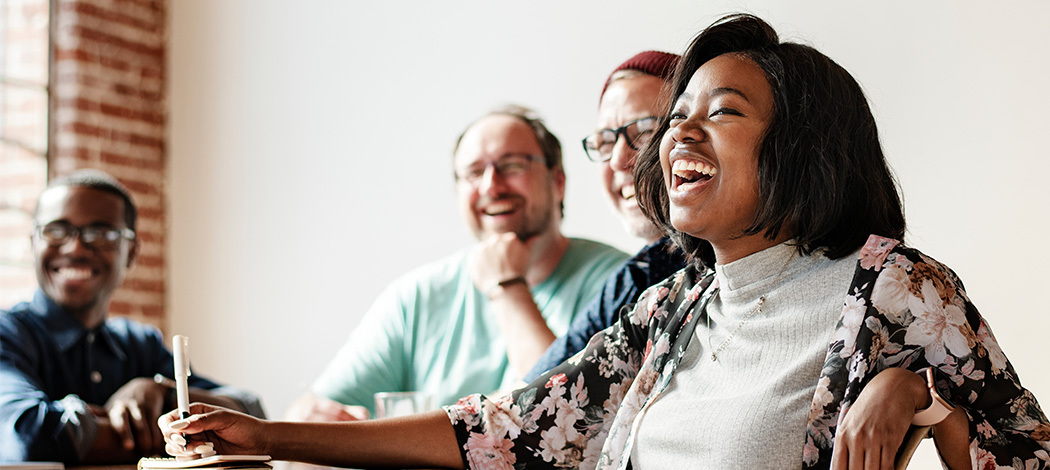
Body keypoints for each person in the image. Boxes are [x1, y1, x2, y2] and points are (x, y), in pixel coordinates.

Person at [158, 14, 1050, 469]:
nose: (677, 138)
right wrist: (261, 435)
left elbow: (1023, 451)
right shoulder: (672, 307)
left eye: (722, 113)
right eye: (679, 118)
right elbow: (512, 429)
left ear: (799, 148)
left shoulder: (892, 289)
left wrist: (923, 397)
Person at [286, 105, 628, 421]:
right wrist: (313, 421)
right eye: (473, 172)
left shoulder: (619, 282)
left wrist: (506, 285)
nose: (491, 186)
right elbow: (314, 410)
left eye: (511, 166)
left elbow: (562, 415)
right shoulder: (416, 298)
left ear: (558, 182)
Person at [0, 169, 266, 464]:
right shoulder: (7, 334)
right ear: (33, 243)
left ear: (132, 252)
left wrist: (160, 390)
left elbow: (250, 419)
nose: (75, 247)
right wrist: (170, 428)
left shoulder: (142, 344)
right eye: (55, 230)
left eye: (101, 234)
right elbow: (25, 436)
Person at [525, 51, 689, 381]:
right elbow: (534, 393)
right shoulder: (637, 275)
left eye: (643, 131)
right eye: (605, 141)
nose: (617, 160)